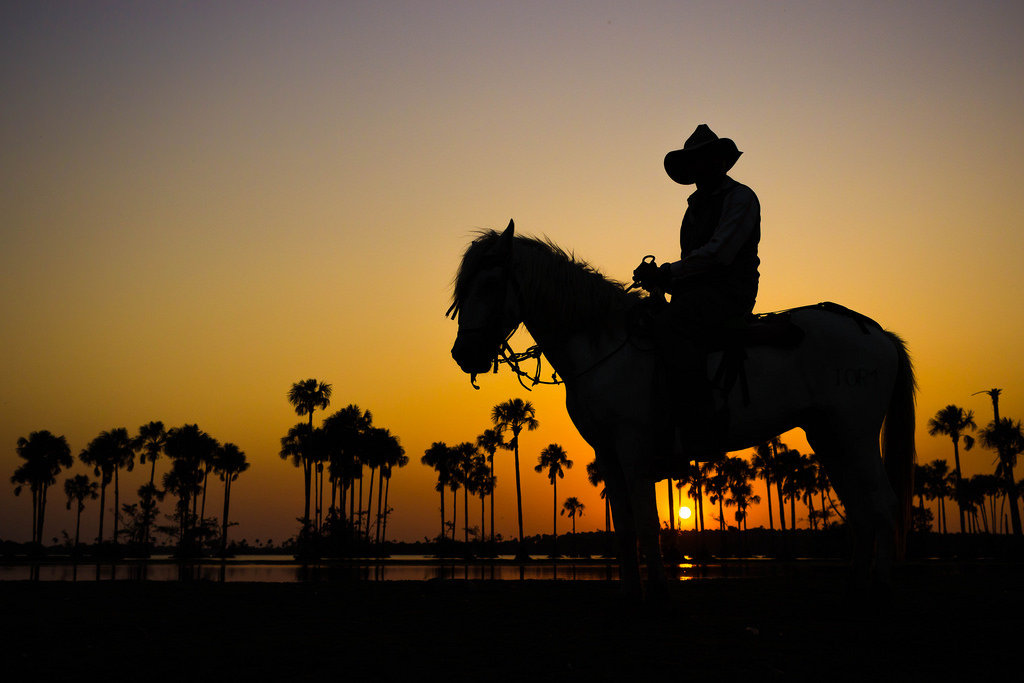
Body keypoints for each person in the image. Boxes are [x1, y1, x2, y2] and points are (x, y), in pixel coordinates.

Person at [633, 124, 761, 464]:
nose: (697, 168)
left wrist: (667, 272)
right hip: (696, 296)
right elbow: (694, 267)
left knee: (672, 327)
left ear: (719, 162)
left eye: (703, 160)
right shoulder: (694, 208)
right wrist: (660, 281)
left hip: (729, 294)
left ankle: (699, 431)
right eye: (693, 162)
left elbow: (719, 254)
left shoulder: (741, 198)